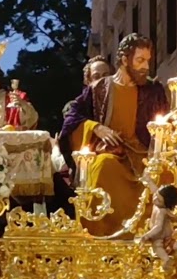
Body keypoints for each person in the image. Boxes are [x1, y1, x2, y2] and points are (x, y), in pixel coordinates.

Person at [59, 33, 170, 236]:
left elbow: (170, 121)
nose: (146, 66)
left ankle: (158, 239)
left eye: (147, 60)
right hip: (114, 156)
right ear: (124, 60)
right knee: (103, 167)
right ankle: (105, 239)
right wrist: (95, 128)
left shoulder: (154, 90)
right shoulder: (99, 88)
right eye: (140, 60)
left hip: (145, 156)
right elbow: (71, 118)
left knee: (166, 173)